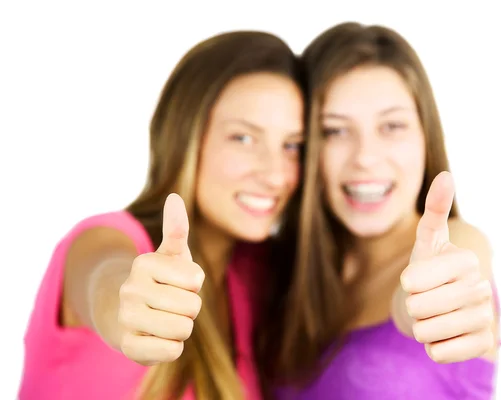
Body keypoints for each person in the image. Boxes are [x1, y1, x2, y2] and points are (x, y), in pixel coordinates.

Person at [19, 30, 305, 400]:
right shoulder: (104, 239)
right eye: (243, 138)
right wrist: (127, 306)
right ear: (183, 135)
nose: (275, 174)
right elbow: (106, 280)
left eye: (292, 145)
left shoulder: (254, 273)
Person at [258, 22, 501, 399]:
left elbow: (439, 285)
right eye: (335, 131)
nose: (366, 158)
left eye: (392, 126)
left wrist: (424, 304)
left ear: (426, 136)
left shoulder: (458, 247)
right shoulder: (281, 273)